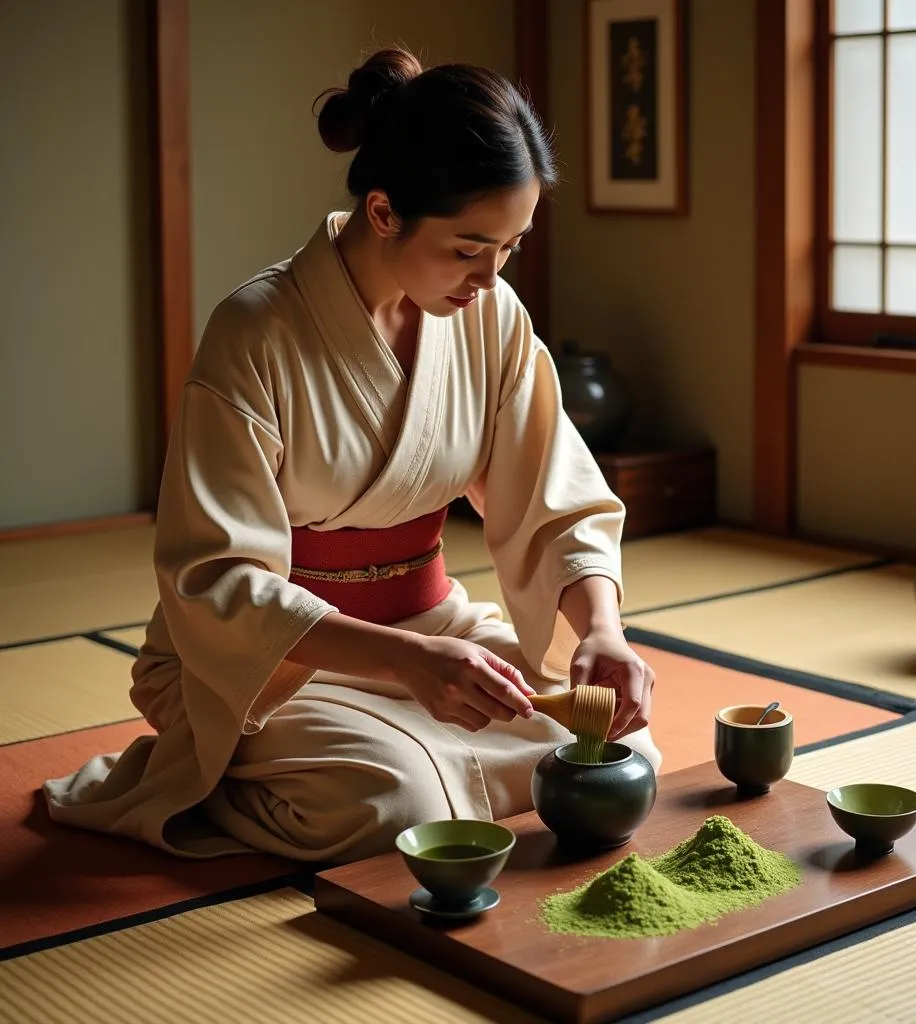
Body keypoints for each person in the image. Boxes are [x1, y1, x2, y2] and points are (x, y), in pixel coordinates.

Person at [44, 47, 661, 864]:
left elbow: (558, 500)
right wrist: (404, 660)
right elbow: (215, 578)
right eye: (468, 247)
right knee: (398, 806)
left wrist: (604, 630)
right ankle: (212, 769)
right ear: (381, 212)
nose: (490, 275)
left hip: (434, 630)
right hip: (280, 658)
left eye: (511, 247)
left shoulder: (492, 317)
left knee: (623, 753)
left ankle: (407, 744)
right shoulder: (255, 332)